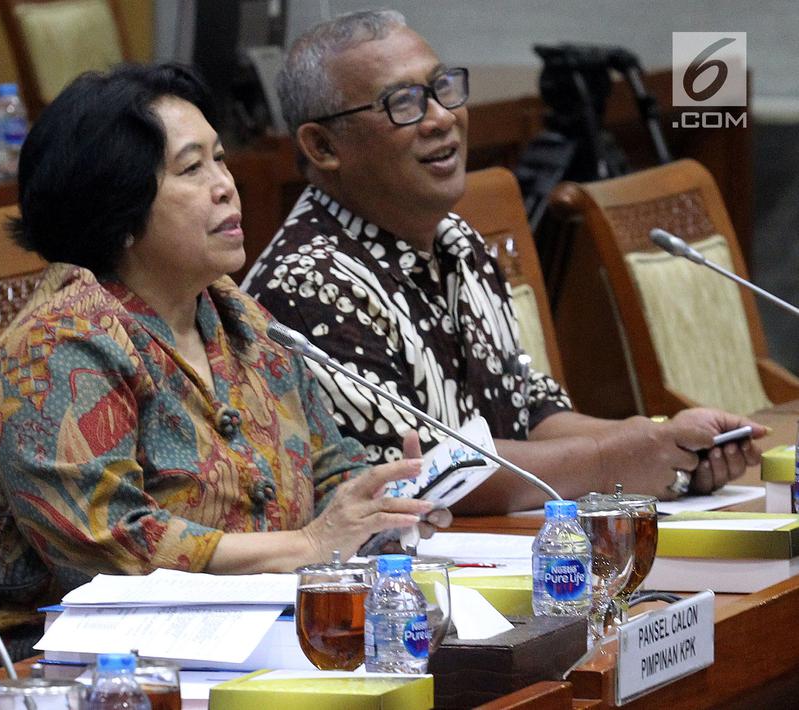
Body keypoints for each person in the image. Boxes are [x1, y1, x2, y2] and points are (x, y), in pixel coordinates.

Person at [0, 63, 443, 667]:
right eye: (192, 169)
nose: (226, 186)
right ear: (118, 208)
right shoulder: (58, 345)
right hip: (68, 668)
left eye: (220, 159)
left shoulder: (238, 315)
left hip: (259, 641)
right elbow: (113, 545)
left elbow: (327, 469)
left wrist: (385, 505)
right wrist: (308, 544)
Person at [241, 10, 765, 514]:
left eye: (442, 87)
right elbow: (423, 471)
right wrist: (613, 461)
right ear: (322, 145)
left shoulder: (456, 240)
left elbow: (527, 410)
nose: (442, 117)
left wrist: (667, 445)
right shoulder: (305, 283)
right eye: (403, 103)